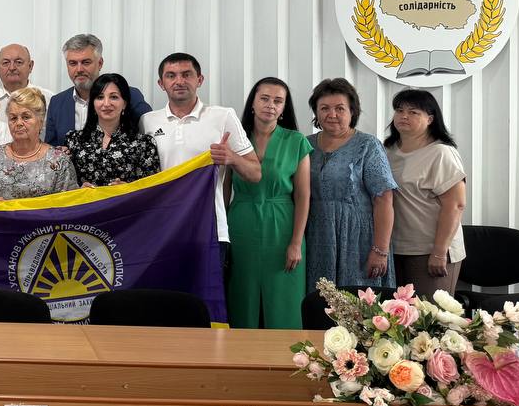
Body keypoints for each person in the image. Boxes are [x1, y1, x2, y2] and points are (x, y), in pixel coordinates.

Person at [140, 53, 261, 273]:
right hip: (162, 229)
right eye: (171, 76)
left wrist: (231, 158)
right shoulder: (147, 121)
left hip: (210, 229)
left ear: (200, 79)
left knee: (207, 294)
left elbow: (255, 173)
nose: (179, 81)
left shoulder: (223, 116)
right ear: (161, 83)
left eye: (187, 74)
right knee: (164, 294)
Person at [225, 78, 312, 329]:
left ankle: (287, 351)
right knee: (241, 294)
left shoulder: (297, 141)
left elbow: (303, 196)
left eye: (278, 101)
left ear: (284, 108)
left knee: (284, 300)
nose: (270, 105)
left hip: (282, 224)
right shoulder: (234, 139)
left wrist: (296, 243)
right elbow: (224, 189)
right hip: (240, 223)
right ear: (252, 102)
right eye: (264, 98)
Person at [305, 78, 396, 293]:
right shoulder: (305, 144)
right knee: (317, 301)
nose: (332, 114)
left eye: (340, 108)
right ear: (316, 112)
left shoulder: (368, 145)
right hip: (315, 236)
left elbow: (384, 199)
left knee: (358, 303)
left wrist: (380, 250)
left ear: (352, 111)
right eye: (324, 108)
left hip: (357, 240)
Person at [384, 89, 466, 296]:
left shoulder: (441, 153)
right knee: (395, 313)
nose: (404, 116)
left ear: (430, 119)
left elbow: (455, 205)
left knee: (429, 313)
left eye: (413, 112)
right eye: (399, 110)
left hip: (430, 250)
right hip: (395, 248)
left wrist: (439, 252)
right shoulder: (388, 151)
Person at [45, 34, 151, 147]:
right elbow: (50, 148)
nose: (79, 69)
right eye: (73, 63)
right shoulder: (57, 102)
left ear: (100, 63)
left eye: (86, 62)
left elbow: (150, 134)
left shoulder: (129, 95)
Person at [0, 87, 78, 199]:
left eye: (26, 117)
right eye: (13, 118)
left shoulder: (59, 161)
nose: (19, 123)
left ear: (41, 121)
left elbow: (70, 203)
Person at [65, 73, 160, 186]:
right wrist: (78, 189)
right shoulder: (74, 140)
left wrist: (128, 189)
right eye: (100, 97)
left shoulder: (144, 144)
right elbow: (62, 187)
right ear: (93, 103)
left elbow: (153, 190)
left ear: (124, 103)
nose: (106, 104)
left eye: (114, 97)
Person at [0, 43, 50, 124]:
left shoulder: (49, 100)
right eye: (6, 63)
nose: (12, 68)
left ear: (30, 66)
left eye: (18, 62)